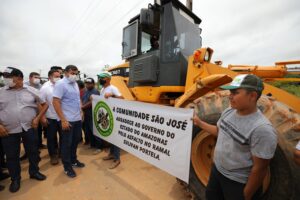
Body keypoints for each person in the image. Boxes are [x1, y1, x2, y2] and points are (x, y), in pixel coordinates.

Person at [193, 74, 277, 200]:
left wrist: (245, 195)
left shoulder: (262, 129)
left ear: (252, 95)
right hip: (217, 171)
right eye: (230, 92)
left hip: (237, 182)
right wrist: (199, 123)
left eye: (235, 92)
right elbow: (220, 131)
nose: (229, 96)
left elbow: (260, 168)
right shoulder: (229, 111)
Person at [0, 67, 48, 193]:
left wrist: (38, 118)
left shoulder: (32, 90)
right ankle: (15, 179)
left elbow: (45, 104)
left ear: (20, 78)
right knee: (11, 156)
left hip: (29, 128)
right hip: (8, 130)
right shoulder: (1, 92)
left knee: (33, 151)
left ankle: (34, 172)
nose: (5, 79)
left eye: (8, 76)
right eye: (4, 76)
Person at [53, 65, 84, 178]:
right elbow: (55, 102)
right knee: (66, 144)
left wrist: (81, 111)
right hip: (67, 120)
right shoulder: (60, 84)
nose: (74, 75)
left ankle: (73, 160)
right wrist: (63, 120)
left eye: (76, 73)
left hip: (77, 118)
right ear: (66, 72)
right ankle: (67, 167)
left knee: (75, 141)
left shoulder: (75, 83)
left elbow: (77, 99)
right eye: (72, 73)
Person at [98, 71, 123, 169]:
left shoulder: (113, 88)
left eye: (102, 78)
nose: (100, 80)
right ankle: (112, 154)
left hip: (114, 115)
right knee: (110, 137)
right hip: (107, 115)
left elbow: (122, 98)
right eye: (100, 78)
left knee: (115, 138)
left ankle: (117, 159)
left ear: (108, 79)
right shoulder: (102, 89)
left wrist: (112, 96)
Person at [40, 69, 62, 165]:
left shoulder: (62, 85)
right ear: (49, 77)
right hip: (50, 117)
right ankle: (53, 155)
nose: (58, 78)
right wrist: (43, 117)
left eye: (59, 76)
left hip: (62, 116)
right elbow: (40, 103)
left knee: (64, 136)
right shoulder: (45, 88)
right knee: (51, 138)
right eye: (56, 76)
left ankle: (62, 153)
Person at [24, 72, 47, 150]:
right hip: (28, 113)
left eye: (38, 78)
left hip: (39, 112)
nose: (38, 79)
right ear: (30, 78)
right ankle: (29, 151)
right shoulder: (24, 86)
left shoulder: (40, 86)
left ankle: (39, 144)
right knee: (29, 133)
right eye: (35, 77)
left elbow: (42, 101)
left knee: (39, 130)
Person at [81, 78, 102, 153]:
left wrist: (82, 107)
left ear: (93, 84)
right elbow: (83, 99)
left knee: (95, 131)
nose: (87, 85)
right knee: (88, 131)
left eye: (89, 83)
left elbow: (91, 102)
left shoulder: (95, 91)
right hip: (87, 114)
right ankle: (92, 144)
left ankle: (99, 147)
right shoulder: (86, 91)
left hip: (93, 114)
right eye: (86, 83)